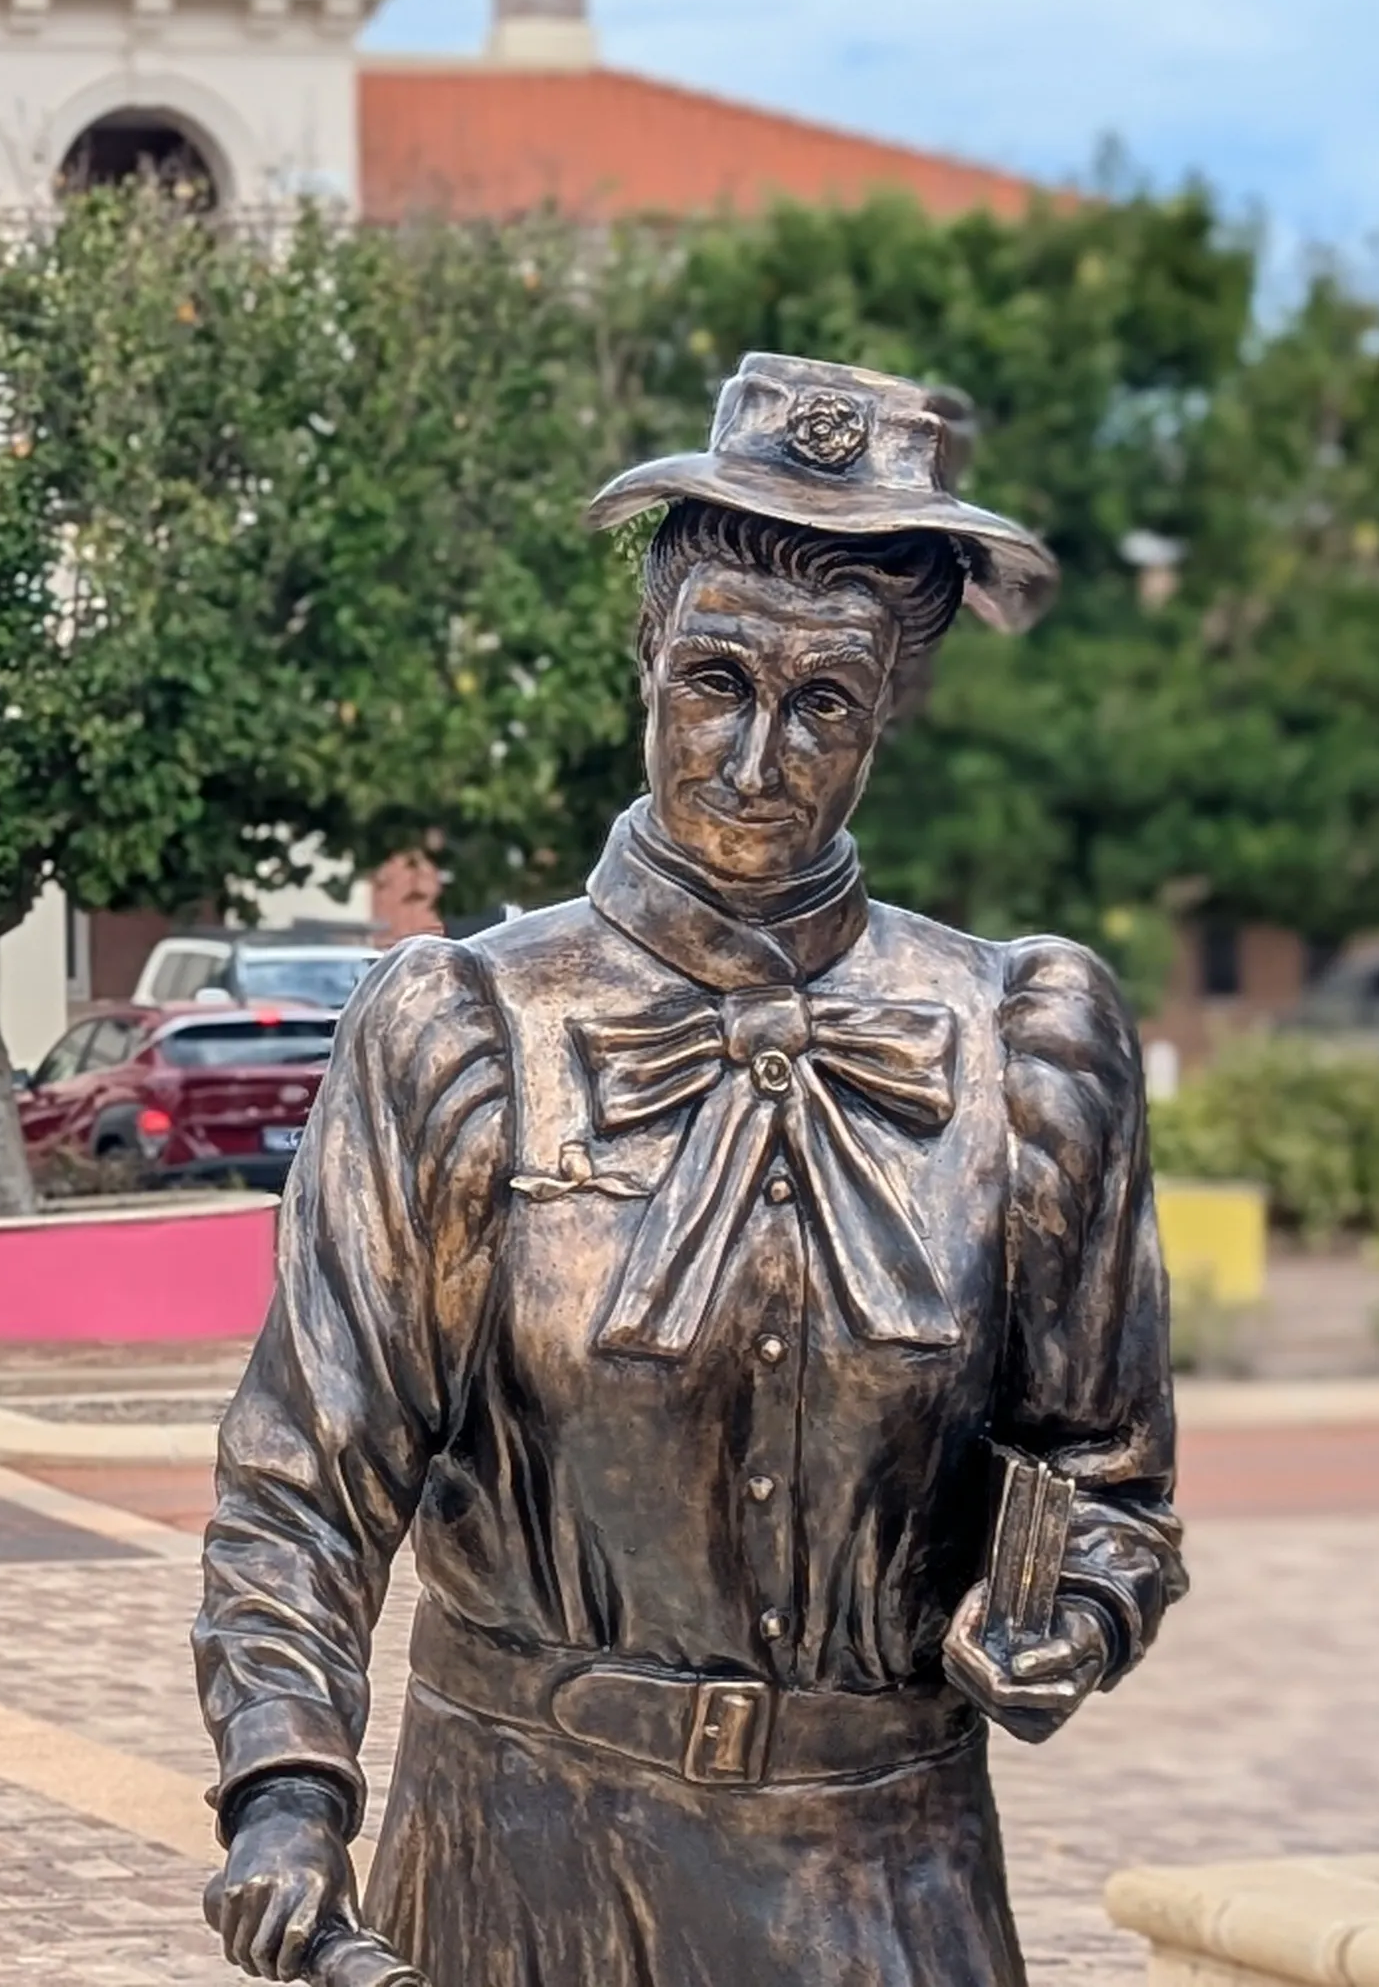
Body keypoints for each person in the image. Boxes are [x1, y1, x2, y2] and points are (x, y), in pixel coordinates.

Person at [197, 355, 1186, 1985]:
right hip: (522, 1852)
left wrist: (1062, 1610)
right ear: (645, 661)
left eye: (823, 705)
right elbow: (304, 1478)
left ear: (887, 716)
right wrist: (285, 1788)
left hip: (885, 1866)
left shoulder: (1021, 1036)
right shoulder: (462, 1026)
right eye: (715, 680)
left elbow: (1101, 1473)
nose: (753, 757)